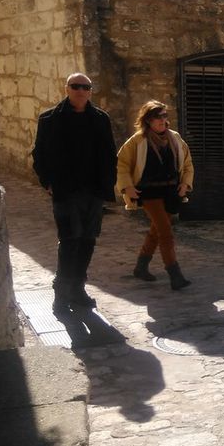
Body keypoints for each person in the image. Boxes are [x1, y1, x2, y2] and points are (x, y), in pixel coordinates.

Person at [32, 73, 117, 313]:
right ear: (67, 89)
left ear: (90, 91)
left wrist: (107, 183)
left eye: (85, 87)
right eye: (76, 86)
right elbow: (39, 154)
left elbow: (110, 154)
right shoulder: (49, 119)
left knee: (88, 241)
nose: (81, 91)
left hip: (93, 191)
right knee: (69, 241)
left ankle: (78, 289)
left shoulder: (100, 119)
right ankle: (61, 293)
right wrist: (47, 181)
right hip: (65, 190)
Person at [116, 101, 194, 290]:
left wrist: (185, 184)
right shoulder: (138, 141)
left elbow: (187, 163)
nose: (162, 120)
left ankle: (141, 266)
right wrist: (127, 187)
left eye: (164, 116)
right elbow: (122, 164)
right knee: (166, 232)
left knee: (156, 231)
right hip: (149, 192)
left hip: (171, 192)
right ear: (148, 120)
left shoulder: (175, 138)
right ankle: (174, 274)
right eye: (158, 117)